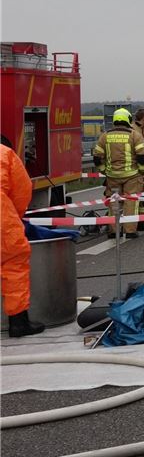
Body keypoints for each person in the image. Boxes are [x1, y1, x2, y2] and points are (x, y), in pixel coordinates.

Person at [2, 135, 45, 337]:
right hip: (3, 219)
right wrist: (13, 217)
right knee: (14, 266)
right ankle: (18, 323)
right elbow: (22, 190)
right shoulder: (6, 155)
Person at [93, 108, 144, 239]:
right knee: (131, 202)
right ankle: (130, 231)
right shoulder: (134, 135)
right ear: (128, 119)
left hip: (112, 176)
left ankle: (114, 231)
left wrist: (104, 170)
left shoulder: (105, 135)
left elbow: (97, 157)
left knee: (114, 203)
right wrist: (141, 171)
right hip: (132, 176)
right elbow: (142, 156)